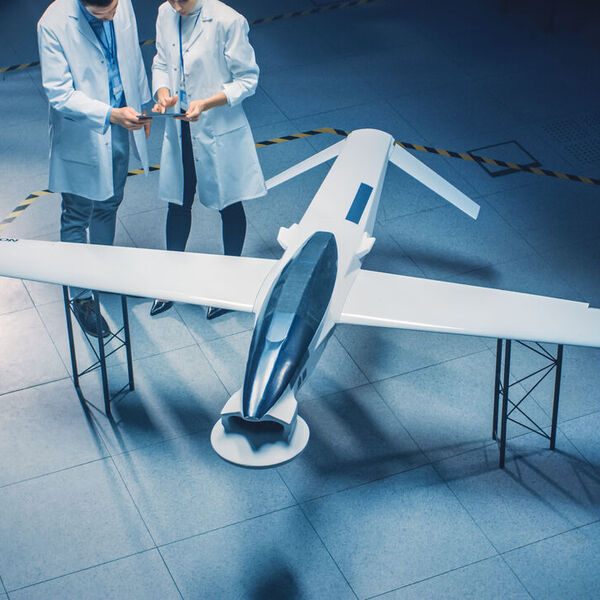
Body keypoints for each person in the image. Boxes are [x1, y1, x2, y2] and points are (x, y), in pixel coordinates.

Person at [37, 0, 151, 337]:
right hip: (84, 128)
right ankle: (82, 297)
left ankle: (102, 271)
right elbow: (59, 94)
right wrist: (110, 114)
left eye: (115, 7)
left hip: (121, 119)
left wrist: (141, 106)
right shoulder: (53, 23)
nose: (113, 15)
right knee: (76, 214)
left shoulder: (120, 4)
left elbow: (130, 56)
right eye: (102, 15)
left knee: (110, 201)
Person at [150, 0, 266, 319]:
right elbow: (162, 61)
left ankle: (230, 286)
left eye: (182, 0)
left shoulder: (229, 21)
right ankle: (170, 282)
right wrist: (163, 92)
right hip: (181, 127)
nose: (177, 6)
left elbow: (247, 81)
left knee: (229, 203)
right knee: (178, 201)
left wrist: (206, 103)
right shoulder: (166, 12)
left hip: (217, 128)